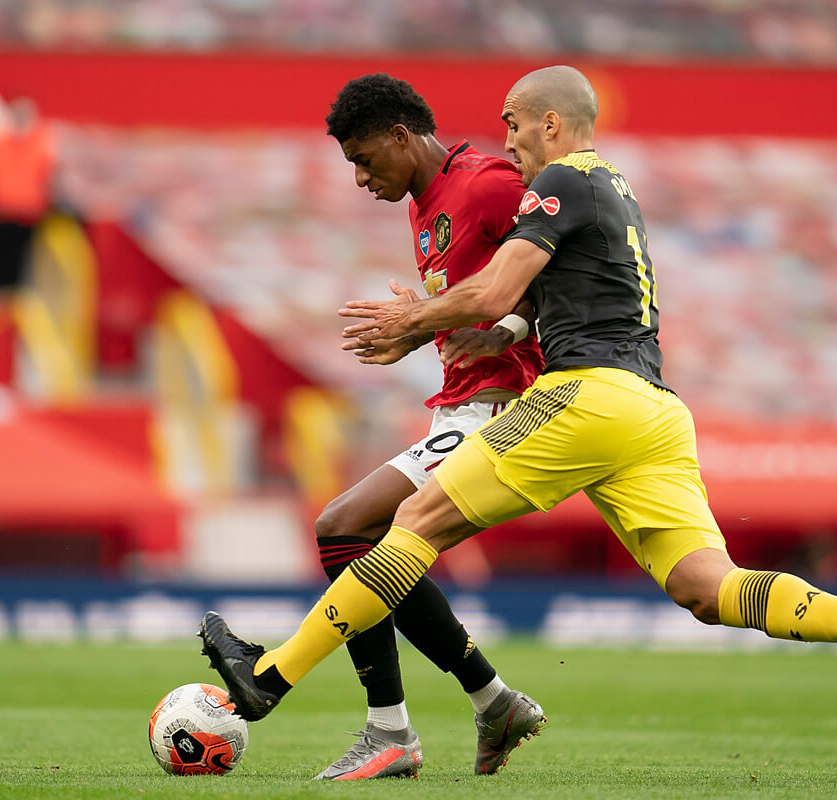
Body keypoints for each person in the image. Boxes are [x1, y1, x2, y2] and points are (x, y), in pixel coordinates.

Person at [200, 65, 837, 748]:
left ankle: (267, 682)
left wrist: (413, 322)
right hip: (653, 409)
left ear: (551, 123)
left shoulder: (561, 178)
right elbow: (557, 300)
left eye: (514, 123)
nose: (507, 139)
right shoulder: (615, 188)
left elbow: (492, 289)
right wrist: (503, 333)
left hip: (585, 396)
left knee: (411, 521)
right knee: (705, 587)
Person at [203, 74, 546, 780]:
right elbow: (478, 296)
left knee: (343, 526)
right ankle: (490, 701)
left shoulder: (485, 181)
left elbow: (568, 267)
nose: (360, 178)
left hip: (509, 404)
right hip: (464, 403)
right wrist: (421, 327)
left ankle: (388, 730)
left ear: (400, 135)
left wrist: (503, 329)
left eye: (365, 159)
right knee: (381, 546)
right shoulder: (428, 206)